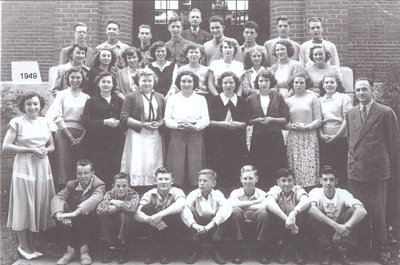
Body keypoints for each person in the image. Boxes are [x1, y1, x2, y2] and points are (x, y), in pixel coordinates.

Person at [346, 78, 399, 264]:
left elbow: (393, 144)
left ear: (372, 91)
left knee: (377, 213)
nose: (361, 93)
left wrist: (378, 161)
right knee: (359, 211)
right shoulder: (351, 113)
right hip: (356, 171)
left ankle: (381, 251)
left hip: (376, 172)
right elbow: (351, 142)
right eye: (357, 90)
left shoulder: (385, 112)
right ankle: (360, 249)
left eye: (364, 89)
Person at [2, 92, 56, 260]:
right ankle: (23, 246)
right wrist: (31, 150)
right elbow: (6, 146)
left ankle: (31, 246)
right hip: (24, 166)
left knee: (37, 203)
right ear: (23, 107)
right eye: (28, 104)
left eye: (35, 104)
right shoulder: (17, 122)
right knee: (24, 204)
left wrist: (44, 150)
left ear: (40, 105)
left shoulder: (45, 121)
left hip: (42, 165)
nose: (33, 107)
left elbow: (52, 146)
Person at [308, 165, 367, 265]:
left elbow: (362, 211)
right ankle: (327, 251)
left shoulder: (342, 193)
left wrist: (343, 228)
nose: (328, 183)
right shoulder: (315, 192)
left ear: (336, 181)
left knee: (354, 211)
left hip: (341, 228)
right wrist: (335, 226)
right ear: (320, 181)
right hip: (325, 227)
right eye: (325, 179)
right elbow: (311, 210)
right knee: (315, 211)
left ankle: (343, 251)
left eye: (331, 180)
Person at [51, 159, 105, 265]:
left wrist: (74, 214)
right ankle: (70, 250)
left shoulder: (99, 185)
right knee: (62, 206)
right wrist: (59, 214)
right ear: (76, 174)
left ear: (92, 174)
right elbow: (58, 197)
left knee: (85, 212)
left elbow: (95, 199)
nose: (83, 176)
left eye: (86, 173)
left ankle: (84, 251)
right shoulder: (72, 184)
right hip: (73, 220)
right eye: (80, 173)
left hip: (90, 219)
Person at [120, 68, 165, 193]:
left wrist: (159, 123)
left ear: (154, 82)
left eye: (149, 81)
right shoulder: (130, 96)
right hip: (137, 134)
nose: (147, 83)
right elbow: (124, 117)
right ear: (138, 82)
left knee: (153, 160)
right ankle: (136, 188)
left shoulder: (160, 97)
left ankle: (152, 187)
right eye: (144, 80)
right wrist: (142, 124)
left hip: (154, 134)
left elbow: (165, 117)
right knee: (137, 161)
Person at [164, 71, 210, 189]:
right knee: (176, 162)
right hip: (177, 132)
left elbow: (206, 119)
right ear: (179, 83)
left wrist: (194, 127)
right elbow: (167, 119)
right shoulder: (172, 98)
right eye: (183, 81)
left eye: (189, 81)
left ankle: (196, 188)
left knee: (195, 163)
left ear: (194, 83)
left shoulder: (200, 99)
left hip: (195, 132)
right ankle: (176, 189)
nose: (186, 84)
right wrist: (177, 126)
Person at [247, 69, 290, 190]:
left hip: (274, 136)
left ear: (271, 82)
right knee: (259, 165)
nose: (264, 83)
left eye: (266, 80)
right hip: (258, 136)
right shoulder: (251, 98)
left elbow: (286, 118)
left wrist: (272, 119)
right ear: (257, 82)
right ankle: (261, 191)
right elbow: (247, 120)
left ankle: (276, 191)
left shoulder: (278, 96)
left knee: (276, 164)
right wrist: (257, 120)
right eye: (261, 80)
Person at [206, 72, 249, 191]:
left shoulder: (242, 101)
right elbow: (208, 121)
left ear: (236, 84)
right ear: (220, 84)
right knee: (220, 165)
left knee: (236, 165)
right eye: (225, 83)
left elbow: (246, 121)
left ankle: (235, 192)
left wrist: (240, 124)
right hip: (218, 140)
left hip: (237, 140)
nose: (228, 85)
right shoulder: (213, 101)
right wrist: (221, 124)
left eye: (231, 82)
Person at [134, 167, 186, 264]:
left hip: (171, 227)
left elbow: (181, 205)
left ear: (172, 181)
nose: (163, 182)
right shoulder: (149, 193)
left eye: (166, 179)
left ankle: (165, 251)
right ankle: (152, 251)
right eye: (160, 179)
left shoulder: (177, 191)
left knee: (174, 212)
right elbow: (137, 214)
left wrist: (160, 215)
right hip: (152, 227)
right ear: (155, 181)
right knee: (146, 208)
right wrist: (151, 219)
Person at [82, 71, 125, 189]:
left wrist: (119, 122)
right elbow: (86, 122)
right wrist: (106, 122)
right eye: (103, 82)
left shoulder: (119, 101)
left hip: (115, 142)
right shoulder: (91, 101)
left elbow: (124, 119)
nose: (106, 84)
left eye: (108, 82)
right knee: (99, 168)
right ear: (98, 84)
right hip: (97, 142)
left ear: (113, 85)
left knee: (114, 168)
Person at [181, 169, 232, 264]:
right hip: (197, 226)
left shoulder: (217, 194)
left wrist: (210, 225)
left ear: (213, 183)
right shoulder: (194, 194)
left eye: (205, 181)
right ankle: (195, 250)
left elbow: (227, 208)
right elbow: (184, 209)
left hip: (213, 226)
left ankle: (216, 250)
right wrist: (195, 224)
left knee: (224, 209)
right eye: (200, 180)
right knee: (186, 208)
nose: (201, 183)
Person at [52, 68, 90, 188]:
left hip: (81, 136)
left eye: (78, 77)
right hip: (64, 133)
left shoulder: (86, 97)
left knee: (79, 167)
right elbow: (57, 117)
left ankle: (78, 196)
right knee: (63, 167)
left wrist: (82, 138)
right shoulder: (61, 94)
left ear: (82, 79)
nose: (75, 80)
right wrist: (70, 137)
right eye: (72, 77)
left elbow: (88, 121)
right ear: (68, 78)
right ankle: (63, 196)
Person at [264, 168, 310, 264]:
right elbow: (268, 203)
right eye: (283, 180)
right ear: (278, 182)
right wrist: (287, 219)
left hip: (296, 221)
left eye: (290, 180)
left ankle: (298, 251)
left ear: (294, 181)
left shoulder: (297, 189)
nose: (287, 184)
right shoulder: (275, 189)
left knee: (304, 215)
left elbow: (306, 200)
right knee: (271, 215)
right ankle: (282, 250)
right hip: (282, 222)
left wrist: (293, 214)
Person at [285, 73, 322, 190]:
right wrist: (292, 127)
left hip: (309, 136)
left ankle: (310, 191)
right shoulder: (288, 101)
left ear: (306, 84)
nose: (299, 85)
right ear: (292, 84)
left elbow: (318, 119)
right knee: (295, 165)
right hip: (294, 137)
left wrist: (306, 128)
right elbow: (284, 123)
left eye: (301, 82)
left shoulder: (313, 98)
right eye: (296, 82)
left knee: (309, 166)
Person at [228, 165, 269, 264]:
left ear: (256, 179)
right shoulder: (235, 192)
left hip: (257, 228)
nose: (248, 181)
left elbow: (266, 206)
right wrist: (254, 203)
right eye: (245, 178)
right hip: (240, 228)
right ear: (241, 180)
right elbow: (231, 204)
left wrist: (243, 205)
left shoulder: (263, 194)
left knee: (264, 212)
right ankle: (238, 249)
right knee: (235, 211)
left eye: (251, 178)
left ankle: (261, 248)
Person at [96, 173, 139, 264]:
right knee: (106, 216)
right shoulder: (109, 194)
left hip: (127, 226)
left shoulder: (134, 194)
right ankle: (111, 247)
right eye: (118, 186)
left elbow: (132, 207)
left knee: (125, 214)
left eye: (124, 186)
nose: (121, 189)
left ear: (129, 186)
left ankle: (123, 248)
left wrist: (115, 203)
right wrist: (111, 209)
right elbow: (99, 210)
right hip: (113, 224)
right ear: (113, 186)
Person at [318, 73, 352, 187]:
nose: (329, 85)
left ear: (337, 84)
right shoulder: (320, 100)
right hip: (324, 141)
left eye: (332, 82)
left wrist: (336, 136)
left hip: (340, 139)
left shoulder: (344, 98)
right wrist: (321, 135)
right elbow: (318, 119)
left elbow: (347, 120)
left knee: (340, 168)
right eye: (326, 82)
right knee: (326, 168)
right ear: (323, 85)